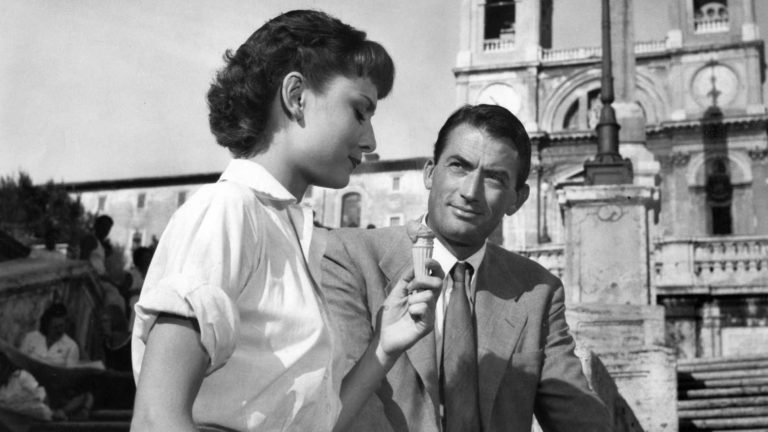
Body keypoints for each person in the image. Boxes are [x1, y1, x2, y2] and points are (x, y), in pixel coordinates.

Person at [131, 10, 443, 432]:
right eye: (359, 111)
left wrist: (384, 347)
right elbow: (155, 419)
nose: (371, 141)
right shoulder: (229, 210)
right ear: (296, 97)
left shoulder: (287, 231)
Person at [322, 104, 612, 432]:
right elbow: (338, 406)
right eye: (459, 166)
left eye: (494, 178)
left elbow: (579, 416)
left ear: (517, 199)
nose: (470, 192)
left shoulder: (537, 290)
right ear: (430, 173)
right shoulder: (350, 258)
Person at [19, 303, 93, 421]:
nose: (59, 330)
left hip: (55, 388)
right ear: (47, 325)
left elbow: (70, 375)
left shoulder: (71, 346)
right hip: (29, 383)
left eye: (61, 326)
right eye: (55, 327)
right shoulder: (31, 338)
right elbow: (19, 361)